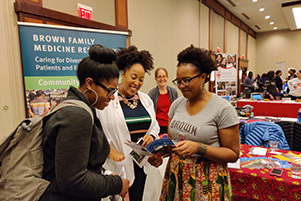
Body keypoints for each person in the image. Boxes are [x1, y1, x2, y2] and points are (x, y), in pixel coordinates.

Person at [148, 45, 240, 200]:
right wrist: (160, 155)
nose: (181, 86)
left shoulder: (222, 109)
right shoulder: (177, 104)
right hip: (176, 176)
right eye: (179, 81)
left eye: (187, 80)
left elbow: (233, 154)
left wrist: (199, 148)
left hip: (207, 180)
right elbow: (173, 141)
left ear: (203, 77)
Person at [40, 44, 129, 201]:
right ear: (89, 83)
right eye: (109, 91)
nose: (112, 97)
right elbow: (72, 180)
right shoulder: (77, 115)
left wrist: (104, 174)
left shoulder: (79, 107)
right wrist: (115, 184)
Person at [96, 46, 163, 201]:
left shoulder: (145, 100)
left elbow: (154, 125)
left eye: (141, 79)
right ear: (122, 73)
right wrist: (108, 150)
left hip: (142, 165)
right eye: (133, 77)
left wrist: (152, 136)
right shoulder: (108, 101)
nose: (137, 82)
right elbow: (96, 131)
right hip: (117, 166)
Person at [148, 67, 178, 135]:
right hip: (157, 127)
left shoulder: (173, 92)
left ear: (167, 77)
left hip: (171, 126)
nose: (162, 79)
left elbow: (177, 110)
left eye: (164, 76)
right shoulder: (152, 94)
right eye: (159, 77)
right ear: (155, 79)